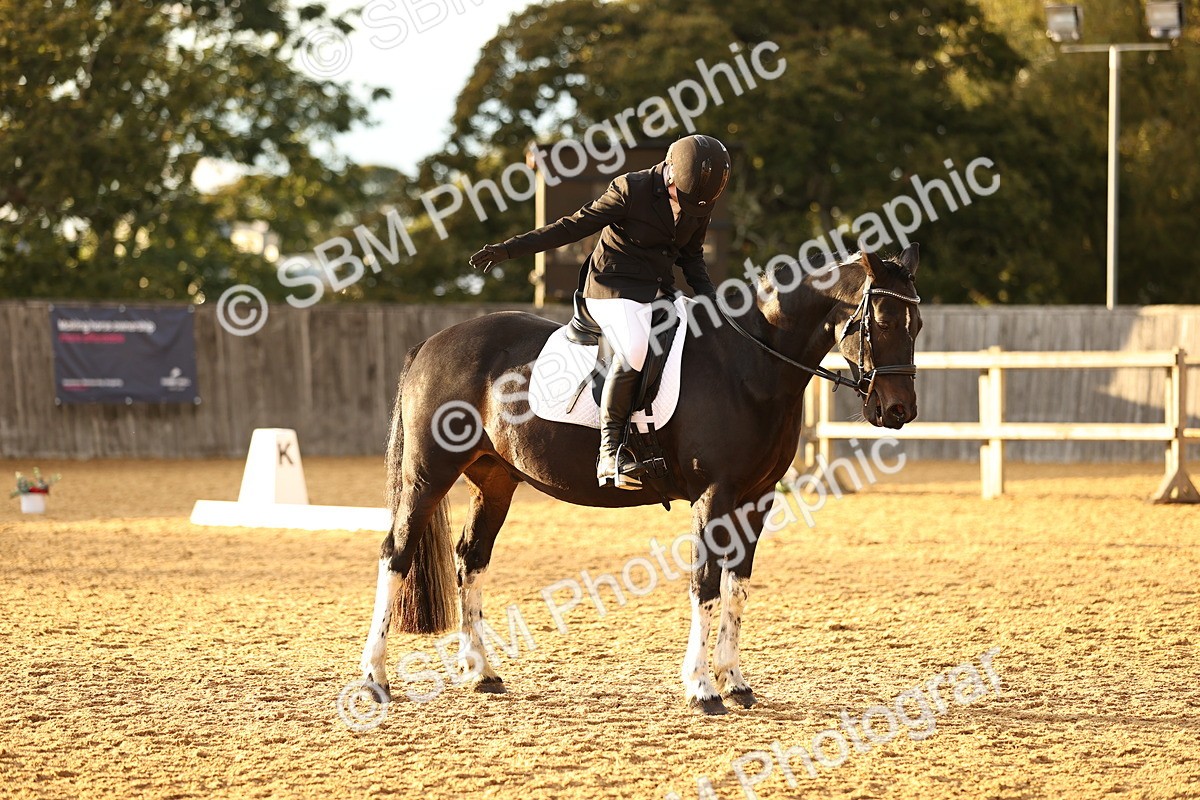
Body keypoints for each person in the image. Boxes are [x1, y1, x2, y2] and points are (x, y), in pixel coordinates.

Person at [470, 134, 731, 490]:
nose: (686, 208)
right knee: (635, 348)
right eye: (680, 198)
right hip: (612, 288)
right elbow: (572, 226)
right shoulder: (631, 189)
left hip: (656, 291)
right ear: (669, 173)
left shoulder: (697, 201)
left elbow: (692, 257)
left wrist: (711, 301)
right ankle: (611, 452)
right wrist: (509, 250)